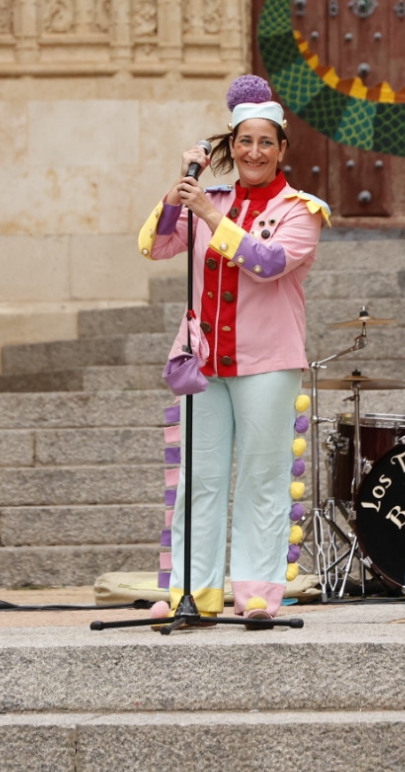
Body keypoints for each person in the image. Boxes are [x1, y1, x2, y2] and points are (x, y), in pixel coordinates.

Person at [137, 75, 328, 622]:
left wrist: (212, 217)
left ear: (282, 149)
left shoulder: (301, 210)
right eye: (245, 141)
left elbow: (267, 264)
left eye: (266, 142)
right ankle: (191, 593)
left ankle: (257, 595)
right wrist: (180, 190)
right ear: (231, 144)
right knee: (200, 478)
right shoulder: (209, 198)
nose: (254, 152)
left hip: (267, 362)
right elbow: (156, 245)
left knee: (264, 478)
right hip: (203, 361)